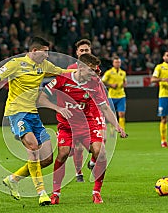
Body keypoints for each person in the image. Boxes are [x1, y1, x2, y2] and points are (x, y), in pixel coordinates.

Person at [0, 37, 74, 206]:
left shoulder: (44, 66)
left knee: (47, 158)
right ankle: (41, 193)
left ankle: (13, 179)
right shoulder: (15, 64)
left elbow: (62, 72)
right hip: (17, 113)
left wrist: (84, 72)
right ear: (34, 51)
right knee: (33, 147)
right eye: (45, 52)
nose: (47, 56)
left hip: (33, 114)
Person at [38, 53, 127, 204]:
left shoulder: (93, 83)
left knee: (101, 153)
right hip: (67, 126)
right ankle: (56, 194)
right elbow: (41, 97)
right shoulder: (63, 78)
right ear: (79, 67)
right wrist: (57, 108)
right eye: (90, 70)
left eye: (94, 70)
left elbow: (104, 108)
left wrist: (117, 125)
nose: (92, 73)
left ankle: (96, 192)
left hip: (88, 125)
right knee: (63, 154)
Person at [67, 39, 102, 182]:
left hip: (94, 108)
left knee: (101, 139)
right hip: (78, 110)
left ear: (90, 51)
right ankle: (78, 172)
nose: (84, 52)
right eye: (81, 50)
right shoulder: (71, 68)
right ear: (76, 53)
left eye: (86, 50)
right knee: (79, 145)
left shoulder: (96, 68)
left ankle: (93, 161)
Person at [102, 56, 127, 131]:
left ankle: (122, 129)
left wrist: (124, 84)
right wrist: (110, 85)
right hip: (111, 96)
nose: (117, 64)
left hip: (121, 95)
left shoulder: (123, 73)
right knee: (112, 114)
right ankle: (113, 130)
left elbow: (124, 81)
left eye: (119, 62)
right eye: (116, 62)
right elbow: (102, 81)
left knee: (121, 114)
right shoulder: (109, 72)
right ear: (113, 63)